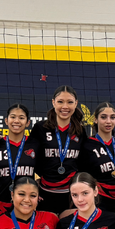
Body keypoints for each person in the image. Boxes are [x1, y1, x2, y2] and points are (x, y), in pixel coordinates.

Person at [31, 86, 86, 214]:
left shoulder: (80, 131)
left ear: (76, 103)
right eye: (60, 101)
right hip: (46, 192)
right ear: (53, 102)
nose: (65, 106)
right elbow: (29, 154)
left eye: (70, 102)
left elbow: (85, 160)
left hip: (71, 194)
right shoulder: (40, 128)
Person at [78, 102, 115, 214]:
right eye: (103, 117)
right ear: (95, 119)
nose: (108, 121)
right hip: (96, 203)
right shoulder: (87, 145)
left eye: (112, 117)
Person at [0, 103, 37, 215]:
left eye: (21, 118)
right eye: (13, 117)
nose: (16, 121)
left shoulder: (35, 144)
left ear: (28, 122)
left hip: (26, 204)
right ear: (6, 121)